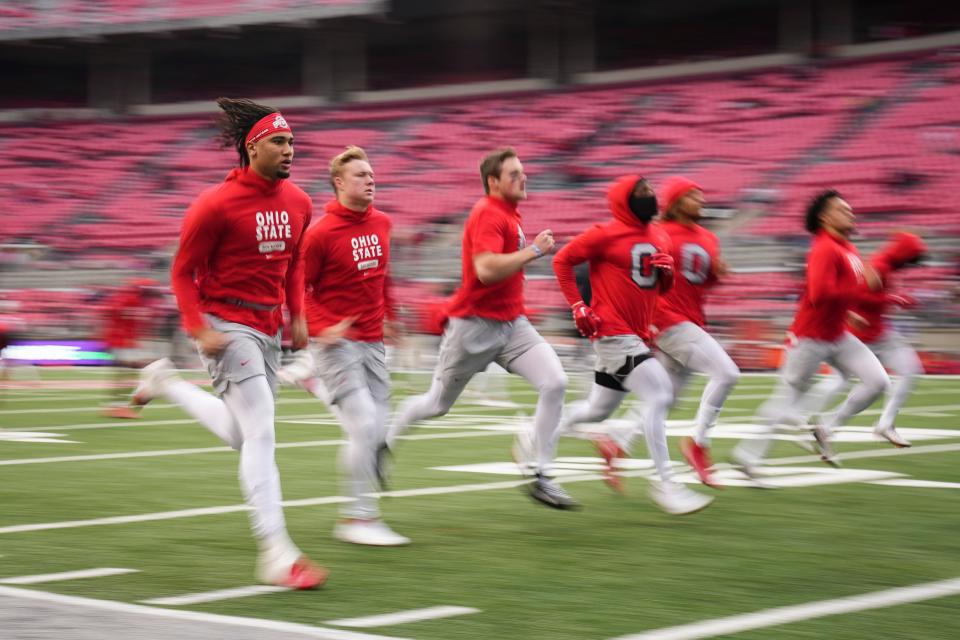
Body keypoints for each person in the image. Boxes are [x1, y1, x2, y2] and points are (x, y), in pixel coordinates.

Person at [131, 98, 326, 589]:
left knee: (243, 434)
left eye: (292, 142)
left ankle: (166, 382)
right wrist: (199, 328)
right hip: (224, 322)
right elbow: (181, 273)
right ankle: (277, 552)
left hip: (268, 329)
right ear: (252, 145)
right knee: (261, 430)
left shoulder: (300, 202)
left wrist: (298, 314)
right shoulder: (213, 205)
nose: (289, 150)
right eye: (279, 142)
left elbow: (296, 262)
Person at [385, 147, 575, 509]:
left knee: (556, 382)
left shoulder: (508, 213)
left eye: (522, 171)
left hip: (512, 324)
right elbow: (486, 270)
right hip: (474, 327)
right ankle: (386, 441)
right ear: (493, 182)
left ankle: (540, 471)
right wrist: (534, 251)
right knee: (437, 404)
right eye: (514, 173)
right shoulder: (488, 211)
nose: (524, 177)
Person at [553, 175, 713, 515]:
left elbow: (661, 291)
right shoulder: (604, 233)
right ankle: (665, 484)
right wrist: (577, 305)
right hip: (612, 333)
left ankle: (533, 438)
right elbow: (562, 260)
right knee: (659, 394)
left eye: (651, 190)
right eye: (641, 192)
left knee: (598, 409)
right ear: (623, 200)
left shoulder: (658, 235)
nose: (650, 195)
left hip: (637, 333)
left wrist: (667, 276)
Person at [277, 146, 409, 546]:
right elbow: (296, 289)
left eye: (371, 174)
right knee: (365, 427)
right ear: (339, 183)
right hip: (336, 345)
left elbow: (383, 275)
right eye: (361, 175)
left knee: (378, 427)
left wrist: (393, 316)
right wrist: (322, 327)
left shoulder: (383, 223)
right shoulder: (319, 234)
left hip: (372, 343)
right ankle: (358, 519)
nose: (371, 180)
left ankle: (311, 379)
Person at [732, 190, 891, 474]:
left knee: (877, 381)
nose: (851, 212)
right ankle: (747, 457)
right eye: (843, 209)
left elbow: (836, 293)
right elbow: (819, 294)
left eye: (850, 208)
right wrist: (856, 292)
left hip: (837, 334)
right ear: (825, 217)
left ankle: (824, 428)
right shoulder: (824, 248)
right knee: (785, 401)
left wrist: (849, 312)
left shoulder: (848, 249)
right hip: (809, 338)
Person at [797, 231, 927, 447]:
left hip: (871, 332)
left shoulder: (884, 263)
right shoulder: (880, 265)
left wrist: (891, 299)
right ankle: (813, 421)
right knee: (906, 372)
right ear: (904, 254)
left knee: (845, 380)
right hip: (868, 334)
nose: (910, 265)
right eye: (911, 259)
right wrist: (894, 298)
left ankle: (823, 425)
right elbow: (858, 295)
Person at [651, 177, 740, 487]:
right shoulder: (658, 234)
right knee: (727, 373)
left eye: (701, 194)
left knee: (664, 400)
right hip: (667, 319)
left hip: (691, 319)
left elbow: (701, 282)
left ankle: (616, 442)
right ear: (675, 203)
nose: (701, 200)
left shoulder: (708, 237)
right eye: (692, 195)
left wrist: (717, 274)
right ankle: (698, 445)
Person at [101, 278, 161, 419]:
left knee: (126, 374)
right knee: (126, 375)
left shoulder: (129, 300)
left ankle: (116, 405)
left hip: (124, 342)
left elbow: (120, 318)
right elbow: (117, 317)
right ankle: (119, 406)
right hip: (122, 342)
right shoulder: (130, 300)